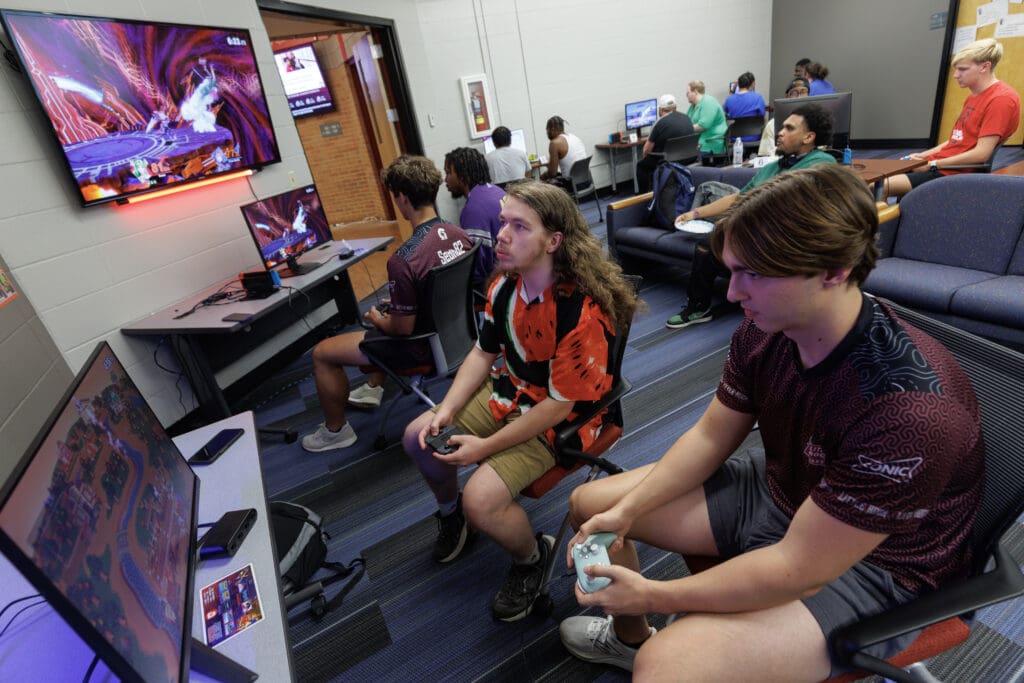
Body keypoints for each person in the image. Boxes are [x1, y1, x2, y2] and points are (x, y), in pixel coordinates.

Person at [559, 163, 984, 680]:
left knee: (666, 665)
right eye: (733, 269)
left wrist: (653, 593)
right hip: (785, 490)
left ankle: (648, 639)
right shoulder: (767, 329)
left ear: (835, 269)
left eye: (754, 273)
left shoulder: (910, 412)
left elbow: (798, 570)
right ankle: (631, 636)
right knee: (593, 506)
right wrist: (628, 511)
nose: (733, 293)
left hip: (876, 566)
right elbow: (712, 435)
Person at [402, 181, 638, 622]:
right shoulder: (504, 288)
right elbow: (482, 352)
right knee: (419, 435)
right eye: (503, 221)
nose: (502, 234)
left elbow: (557, 407)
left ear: (553, 241)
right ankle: (451, 516)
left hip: (561, 418)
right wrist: (448, 408)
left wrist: (485, 449)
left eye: (519, 226)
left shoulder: (581, 311)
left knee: (481, 499)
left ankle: (531, 558)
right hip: (510, 392)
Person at [300, 156, 472, 452]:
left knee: (322, 353)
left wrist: (376, 318)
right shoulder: (459, 236)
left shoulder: (404, 258)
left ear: (402, 198)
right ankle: (372, 389)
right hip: (458, 339)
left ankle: (335, 431)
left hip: (419, 347)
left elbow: (402, 328)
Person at [666, 104, 836, 329]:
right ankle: (699, 306)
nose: (780, 132)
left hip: (786, 239)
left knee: (717, 243)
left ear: (809, 137)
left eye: (789, 128)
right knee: (708, 244)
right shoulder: (775, 166)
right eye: (782, 127)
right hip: (757, 231)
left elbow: (789, 205)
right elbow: (739, 198)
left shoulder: (821, 164)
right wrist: (695, 213)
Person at [884, 38, 1021, 199]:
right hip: (941, 164)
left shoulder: (1001, 99)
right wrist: (923, 156)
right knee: (878, 175)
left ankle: (889, 222)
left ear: (985, 66)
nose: (956, 75)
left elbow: (981, 154)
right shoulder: (973, 96)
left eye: (963, 69)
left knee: (876, 185)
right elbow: (955, 141)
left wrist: (931, 165)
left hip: (952, 172)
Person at [444, 147, 506, 287]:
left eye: (449, 173)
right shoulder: (496, 191)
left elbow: (477, 268)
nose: (445, 179)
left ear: (463, 175)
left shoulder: (473, 209)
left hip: (497, 282)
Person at [635, 94, 695, 193]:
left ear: (661, 110)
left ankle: (644, 197)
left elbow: (646, 150)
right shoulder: (686, 118)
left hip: (669, 161)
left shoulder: (659, 123)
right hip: (690, 158)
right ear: (675, 107)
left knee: (642, 166)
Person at [758, 78, 810, 156]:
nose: (799, 97)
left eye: (803, 92)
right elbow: (765, 155)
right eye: (794, 93)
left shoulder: (815, 122)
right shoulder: (772, 125)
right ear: (787, 97)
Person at [539, 115, 587, 191]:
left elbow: (552, 174)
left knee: (544, 180)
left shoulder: (554, 143)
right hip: (587, 180)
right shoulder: (574, 137)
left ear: (552, 129)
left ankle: (560, 202)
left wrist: (543, 175)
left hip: (572, 184)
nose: (547, 133)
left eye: (547, 130)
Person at [685, 80, 728, 160]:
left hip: (710, 143)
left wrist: (686, 129)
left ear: (695, 92)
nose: (686, 96)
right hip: (699, 143)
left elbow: (703, 126)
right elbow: (686, 122)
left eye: (688, 93)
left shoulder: (709, 102)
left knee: (684, 159)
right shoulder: (692, 106)